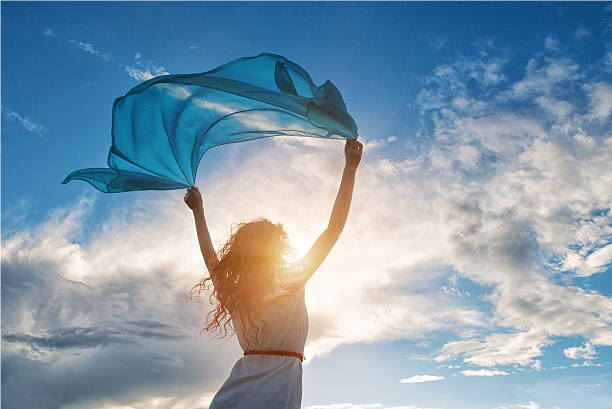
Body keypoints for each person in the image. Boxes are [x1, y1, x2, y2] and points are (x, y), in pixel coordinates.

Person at [184, 139, 363, 409]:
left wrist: (199, 212)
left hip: (234, 396)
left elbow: (211, 260)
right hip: (278, 394)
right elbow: (334, 229)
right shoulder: (291, 279)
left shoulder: (238, 295)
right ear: (277, 249)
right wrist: (349, 169)